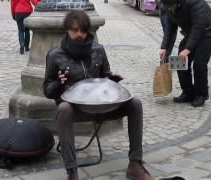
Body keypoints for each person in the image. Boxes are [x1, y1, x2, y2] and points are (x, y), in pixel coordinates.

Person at [43, 10, 153, 180]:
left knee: (135, 103)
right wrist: (59, 84)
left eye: (83, 30)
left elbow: (104, 78)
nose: (79, 34)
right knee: (63, 109)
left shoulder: (98, 49)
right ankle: (72, 171)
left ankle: (135, 164)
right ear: (67, 30)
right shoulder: (55, 55)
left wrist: (112, 79)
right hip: (75, 108)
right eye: (75, 30)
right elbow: (47, 91)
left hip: (103, 107)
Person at [159, 0, 211, 107]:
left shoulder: (194, 2)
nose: (169, 9)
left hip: (207, 32)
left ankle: (201, 95)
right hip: (191, 33)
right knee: (179, 61)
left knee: (199, 63)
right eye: (167, 7)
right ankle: (188, 93)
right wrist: (164, 47)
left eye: (171, 7)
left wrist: (188, 49)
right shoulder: (167, 6)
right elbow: (170, 29)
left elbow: (198, 27)